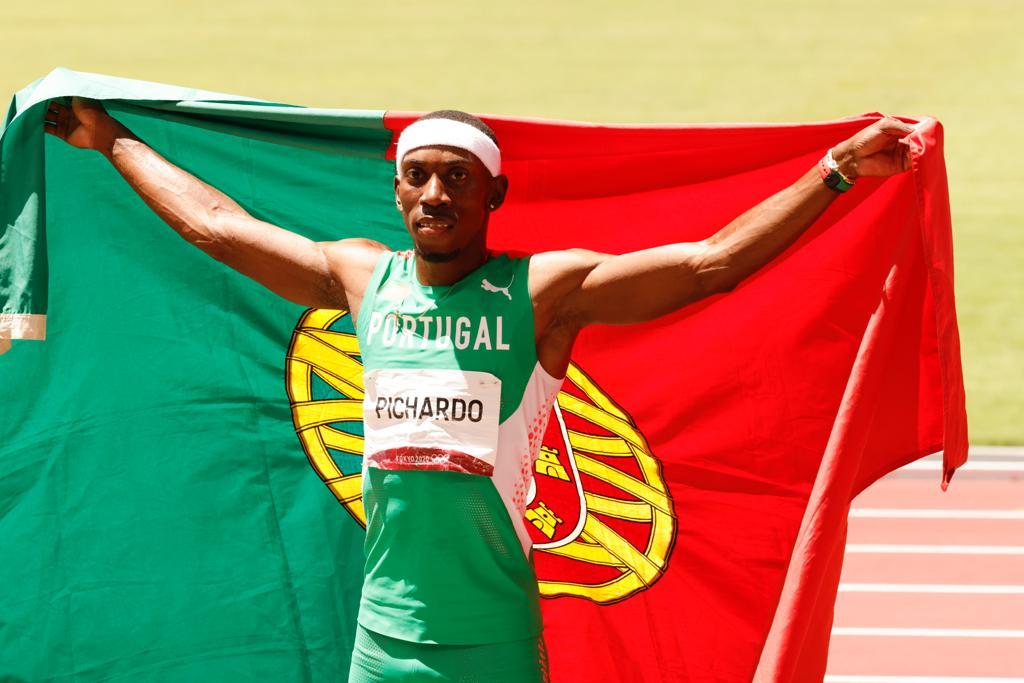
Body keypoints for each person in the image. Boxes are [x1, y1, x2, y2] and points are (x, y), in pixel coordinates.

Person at [43, 98, 914, 682]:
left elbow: (709, 265)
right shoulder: (361, 279)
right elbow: (219, 227)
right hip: (381, 640)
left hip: (491, 642)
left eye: (458, 176)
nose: (435, 193)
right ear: (396, 190)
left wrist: (834, 170)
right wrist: (111, 139)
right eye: (419, 174)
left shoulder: (543, 293)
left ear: (497, 191)